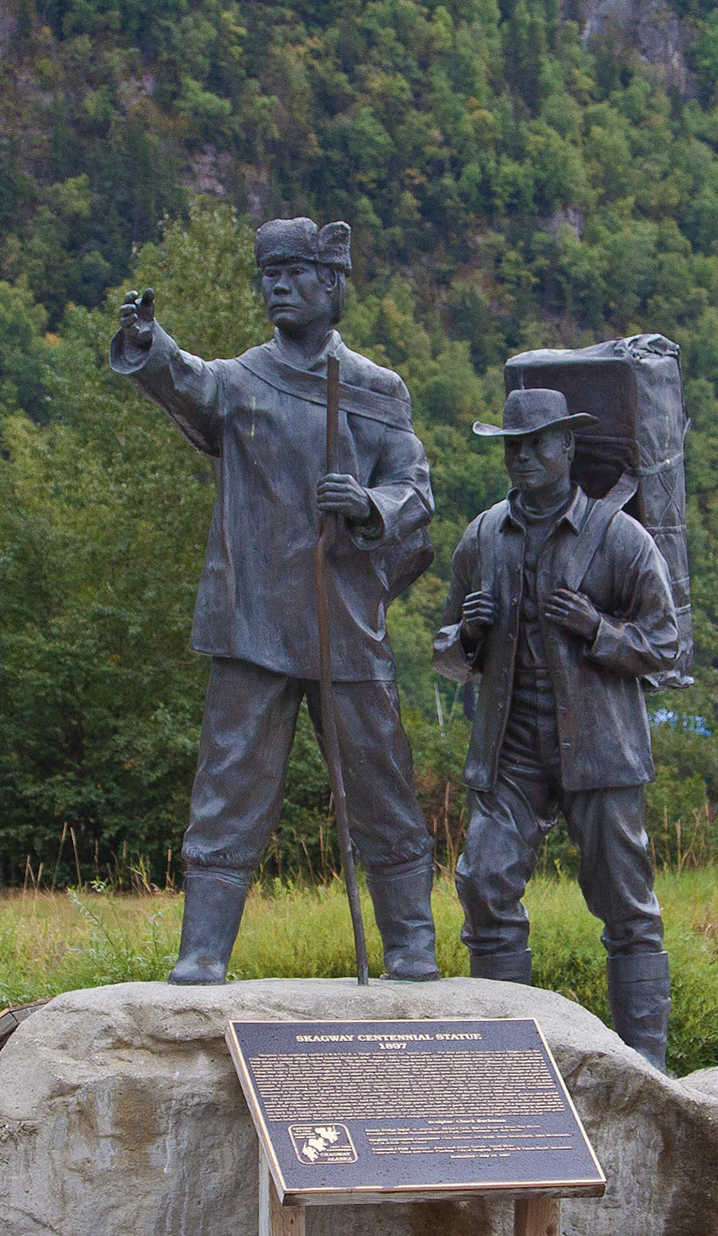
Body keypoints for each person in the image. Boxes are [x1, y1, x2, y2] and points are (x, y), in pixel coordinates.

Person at [111, 217, 439, 983]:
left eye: (293, 274)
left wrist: (366, 505)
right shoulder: (242, 380)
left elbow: (415, 489)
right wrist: (151, 342)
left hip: (345, 621)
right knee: (230, 783)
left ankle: (412, 944)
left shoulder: (376, 389)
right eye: (269, 275)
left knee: (379, 781)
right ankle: (203, 951)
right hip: (254, 620)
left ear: (332, 285)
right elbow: (184, 380)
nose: (277, 287)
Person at [433, 388, 681, 1067]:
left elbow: (665, 642)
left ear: (567, 448)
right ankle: (503, 1064)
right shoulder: (483, 537)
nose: (522, 457)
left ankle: (648, 1070)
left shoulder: (618, 537)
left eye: (537, 443)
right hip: (510, 746)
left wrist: (596, 629)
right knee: (483, 881)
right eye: (513, 445)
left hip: (600, 749)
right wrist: (468, 636)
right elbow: (445, 653)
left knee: (626, 905)